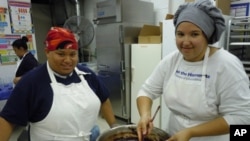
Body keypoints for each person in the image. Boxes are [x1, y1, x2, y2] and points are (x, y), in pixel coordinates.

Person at [136, 0, 250, 141]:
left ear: (207, 35)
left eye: (194, 34)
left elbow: (242, 117)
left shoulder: (226, 65)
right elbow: (146, 91)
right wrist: (145, 114)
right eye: (180, 34)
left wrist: (190, 132)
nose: (185, 41)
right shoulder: (172, 60)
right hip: (174, 135)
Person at [0, 27, 117, 141]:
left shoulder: (87, 75)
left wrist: (114, 129)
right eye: (61, 54)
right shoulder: (31, 82)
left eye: (72, 54)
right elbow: (7, 120)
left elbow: (104, 99)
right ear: (47, 52)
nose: (67, 60)